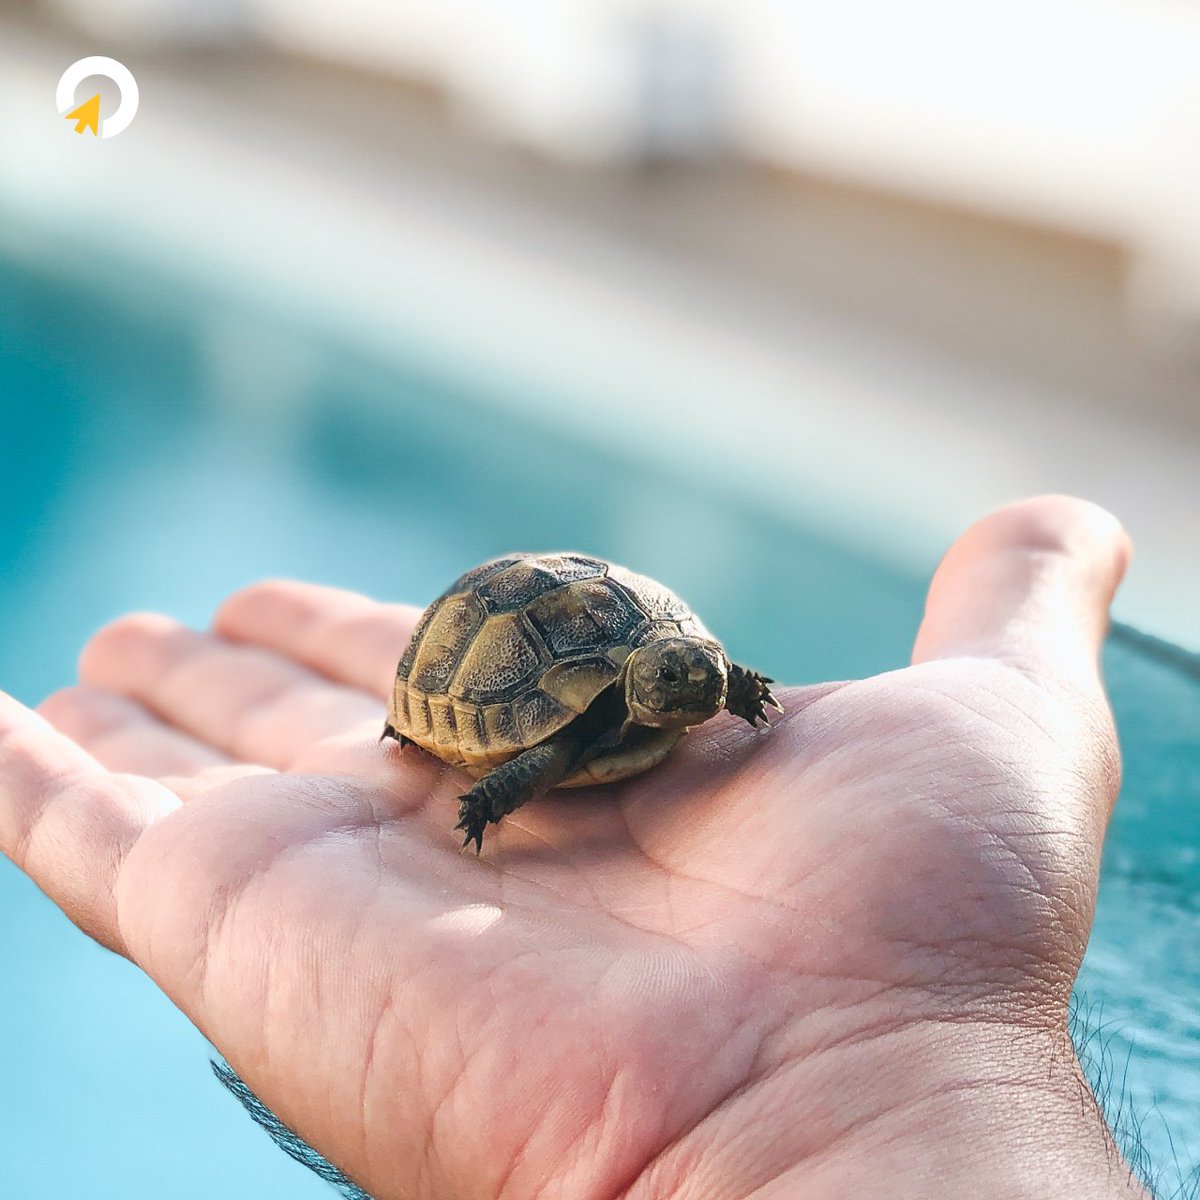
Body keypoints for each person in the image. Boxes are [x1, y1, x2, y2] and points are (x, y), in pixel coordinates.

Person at [0, 495, 1150, 1199]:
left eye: (701, 678)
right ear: (637, 689)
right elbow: (541, 755)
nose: (699, 691)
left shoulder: (685, 682)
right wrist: (486, 802)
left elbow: (707, 683)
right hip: (489, 671)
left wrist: (853, 1080)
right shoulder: (587, 723)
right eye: (681, 682)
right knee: (553, 752)